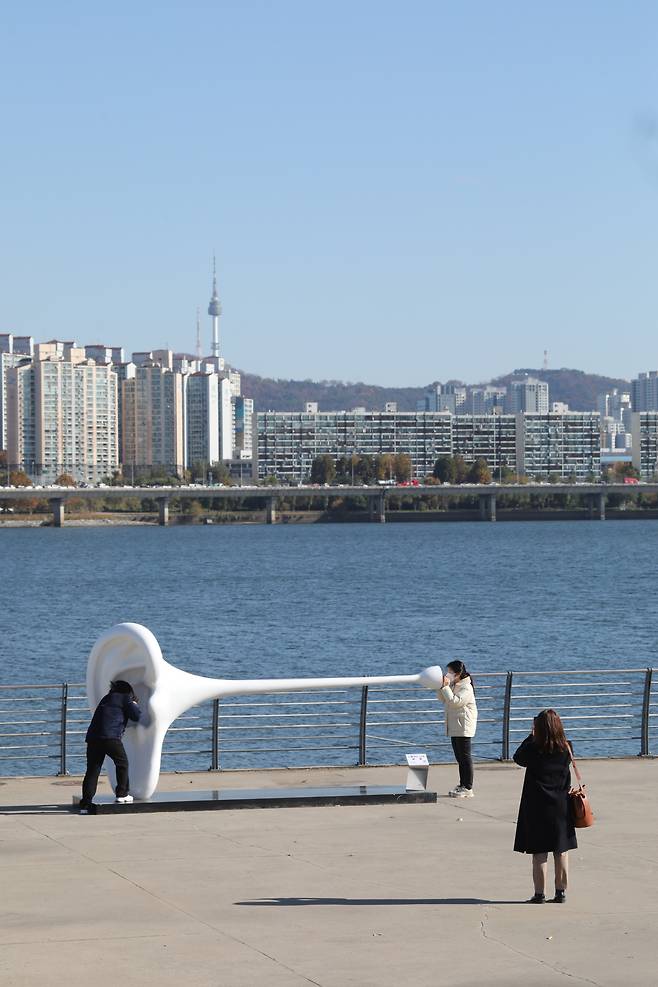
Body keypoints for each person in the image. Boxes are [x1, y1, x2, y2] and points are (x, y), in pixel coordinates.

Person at [513, 708, 577, 904]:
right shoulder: (567, 747)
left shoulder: (533, 748)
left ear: (538, 727)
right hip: (561, 804)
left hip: (537, 805)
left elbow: (518, 758)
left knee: (539, 851)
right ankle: (561, 892)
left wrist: (530, 736)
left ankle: (539, 893)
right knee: (560, 849)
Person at [79, 679, 142, 814]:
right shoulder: (125, 698)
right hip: (110, 737)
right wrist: (134, 703)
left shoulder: (106, 698)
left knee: (93, 769)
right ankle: (122, 794)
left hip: (93, 738)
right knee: (122, 763)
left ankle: (86, 803)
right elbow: (136, 716)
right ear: (128, 691)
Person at [437, 660, 478, 798]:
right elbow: (444, 700)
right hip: (455, 726)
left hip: (464, 726)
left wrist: (446, 688)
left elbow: (455, 702)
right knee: (459, 757)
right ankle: (462, 784)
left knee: (465, 758)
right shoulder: (455, 684)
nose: (448, 674)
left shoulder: (466, 688)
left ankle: (468, 787)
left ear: (458, 673)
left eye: (450, 672)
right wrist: (440, 687)